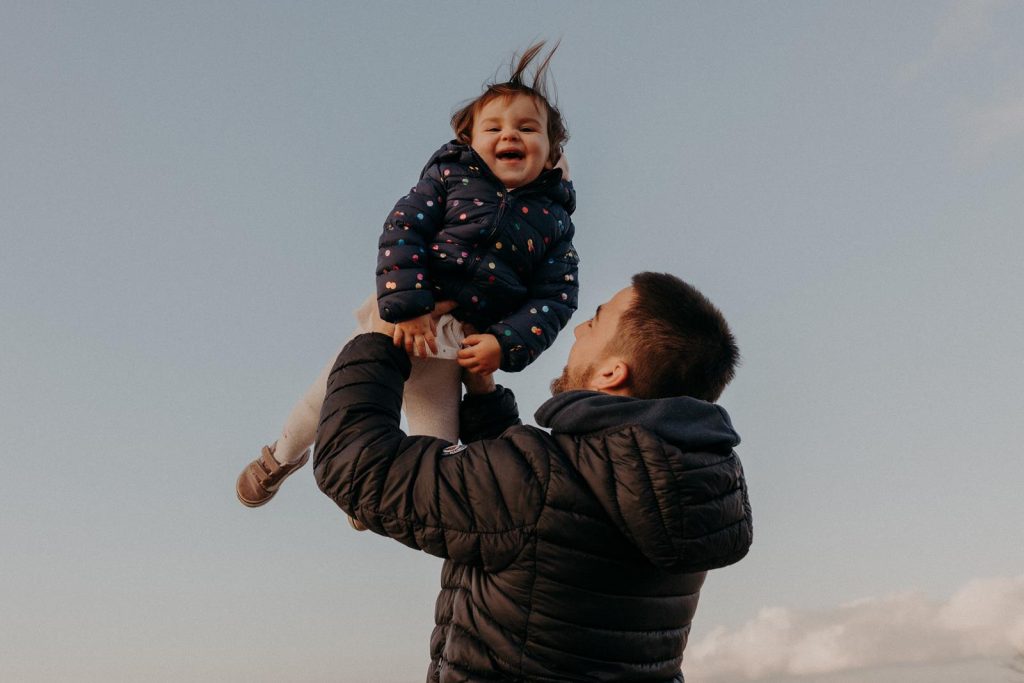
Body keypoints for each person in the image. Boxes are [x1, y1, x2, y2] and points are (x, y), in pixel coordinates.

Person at [314, 271, 754, 682]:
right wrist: (484, 400)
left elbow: (356, 465)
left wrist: (379, 335)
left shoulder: (538, 485)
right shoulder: (682, 489)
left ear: (612, 372)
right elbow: (543, 524)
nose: (579, 330)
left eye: (595, 321)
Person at [237, 42, 579, 508]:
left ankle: (376, 496)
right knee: (330, 395)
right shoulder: (447, 180)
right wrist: (409, 306)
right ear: (470, 141)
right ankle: (280, 456)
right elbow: (402, 232)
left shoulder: (554, 221)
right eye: (493, 127)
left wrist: (507, 341)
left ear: (550, 149)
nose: (509, 136)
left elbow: (555, 297)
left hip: (454, 340)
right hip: (398, 317)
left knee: (437, 445)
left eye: (527, 128)